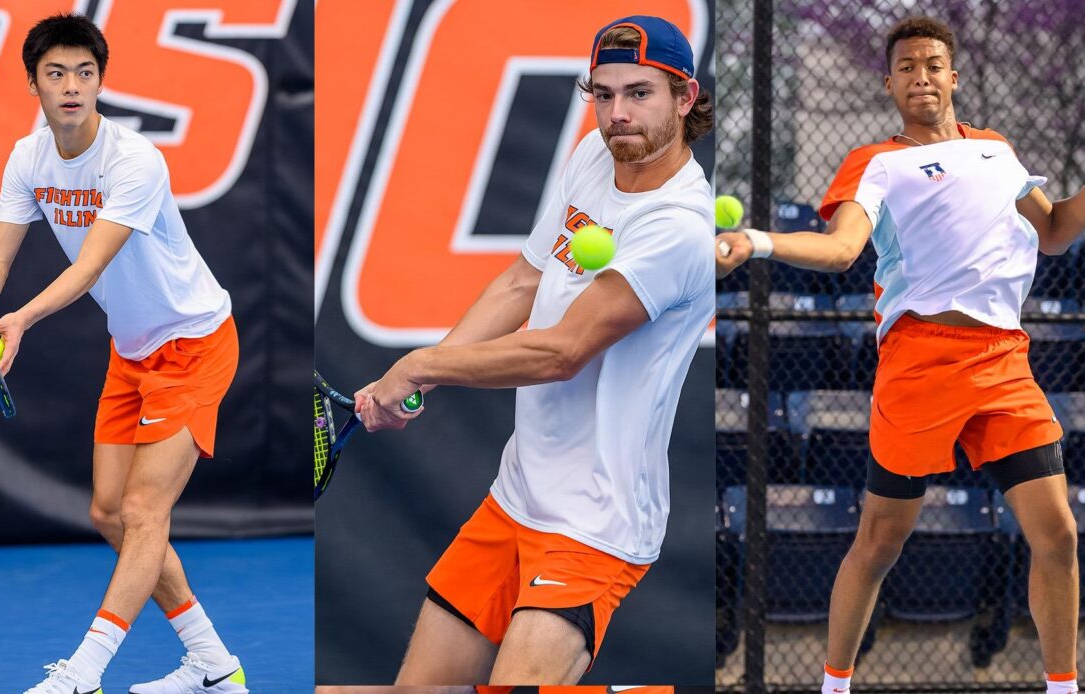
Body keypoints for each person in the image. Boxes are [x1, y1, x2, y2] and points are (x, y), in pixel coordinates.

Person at [716, 16, 1085, 694]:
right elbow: (840, 249)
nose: (921, 76)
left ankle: (1062, 687)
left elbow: (1058, 232)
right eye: (908, 67)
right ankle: (835, 685)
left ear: (954, 76)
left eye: (933, 64)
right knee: (880, 542)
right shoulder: (877, 161)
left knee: (1058, 534)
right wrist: (759, 242)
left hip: (1005, 360)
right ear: (889, 83)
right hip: (920, 363)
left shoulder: (998, 153)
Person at [352, 15, 713, 685]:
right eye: (603, 94)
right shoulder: (592, 157)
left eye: (639, 93)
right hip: (516, 497)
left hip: (596, 525)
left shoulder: (679, 227)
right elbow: (523, 278)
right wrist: (416, 384)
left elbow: (562, 353)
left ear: (685, 97)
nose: (617, 114)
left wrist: (424, 363)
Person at [0, 14, 247, 694]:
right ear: (34, 84)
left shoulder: (135, 160)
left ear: (100, 81)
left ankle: (84, 674)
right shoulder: (28, 158)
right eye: (56, 73)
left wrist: (18, 319)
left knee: (144, 512)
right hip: (133, 349)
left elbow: (88, 269)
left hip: (195, 341)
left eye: (85, 72)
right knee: (110, 513)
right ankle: (215, 666)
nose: (72, 86)